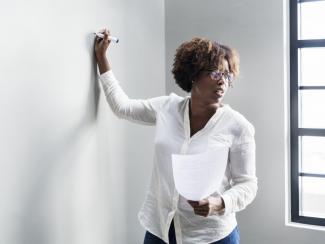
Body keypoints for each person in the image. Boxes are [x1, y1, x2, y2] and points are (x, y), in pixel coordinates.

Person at [95, 28, 257, 244]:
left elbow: (247, 185)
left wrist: (219, 203)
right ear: (193, 75)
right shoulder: (167, 108)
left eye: (227, 75)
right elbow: (122, 107)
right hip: (160, 230)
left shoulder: (238, 126)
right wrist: (101, 58)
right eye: (216, 73)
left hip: (211, 236)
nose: (223, 81)